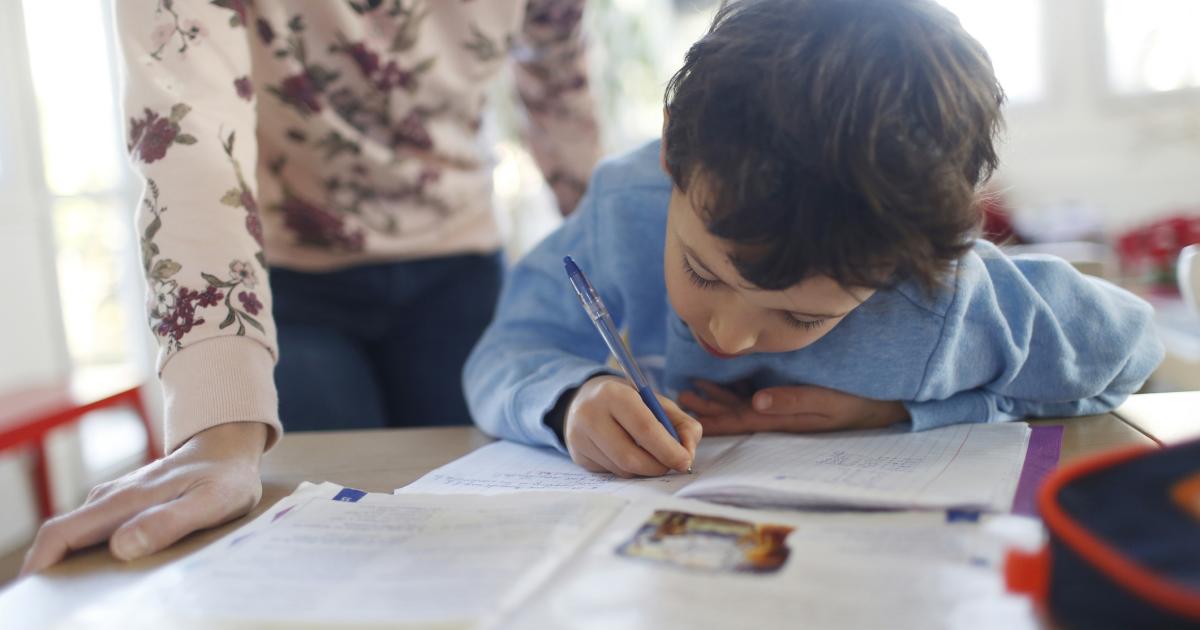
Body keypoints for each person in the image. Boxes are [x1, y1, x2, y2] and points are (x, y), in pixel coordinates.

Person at [463, 0, 1164, 477]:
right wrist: (572, 399)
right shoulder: (628, 206)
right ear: (674, 151)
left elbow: (1128, 353)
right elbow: (506, 351)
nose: (729, 335)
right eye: (703, 272)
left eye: (801, 316)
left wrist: (907, 410)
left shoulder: (939, 295)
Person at [23, 0, 599, 573]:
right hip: (284, 283)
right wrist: (218, 424)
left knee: (477, 546)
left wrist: (617, 280)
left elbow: (559, 87)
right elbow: (187, 128)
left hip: (460, 267)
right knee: (328, 552)